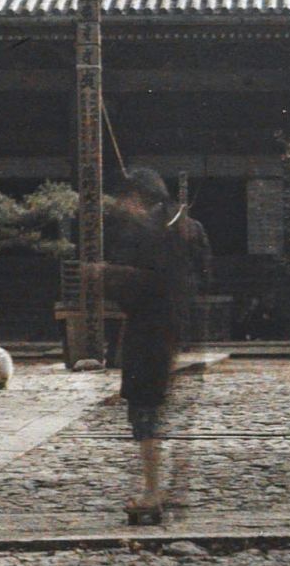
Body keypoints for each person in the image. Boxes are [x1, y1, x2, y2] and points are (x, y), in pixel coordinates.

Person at [87, 167, 207, 525]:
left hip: (151, 332)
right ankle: (160, 490)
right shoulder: (184, 228)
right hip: (172, 330)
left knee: (145, 412)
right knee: (155, 413)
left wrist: (107, 274)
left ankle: (153, 492)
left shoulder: (155, 232)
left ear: (137, 197)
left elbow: (151, 284)